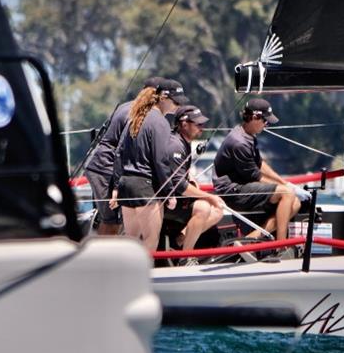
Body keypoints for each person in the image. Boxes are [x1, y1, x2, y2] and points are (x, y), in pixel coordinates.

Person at [212, 98, 309, 240]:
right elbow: (254, 175)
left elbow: (259, 163)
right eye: (265, 121)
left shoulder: (248, 135)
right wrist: (285, 188)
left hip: (242, 185)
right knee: (287, 193)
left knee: (294, 204)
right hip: (232, 192)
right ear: (254, 118)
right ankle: (280, 245)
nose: (266, 125)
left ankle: (250, 240)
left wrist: (284, 182)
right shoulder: (239, 142)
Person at [109, 79, 189, 251]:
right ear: (163, 98)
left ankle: (127, 276)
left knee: (131, 241)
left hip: (126, 184)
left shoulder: (135, 117)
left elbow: (118, 153)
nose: (177, 106)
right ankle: (145, 277)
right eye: (175, 102)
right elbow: (161, 160)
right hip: (145, 187)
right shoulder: (160, 122)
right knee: (150, 241)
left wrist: (116, 186)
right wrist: (170, 193)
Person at [84, 76, 163, 235]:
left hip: (101, 165)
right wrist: (116, 187)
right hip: (104, 167)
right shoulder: (137, 111)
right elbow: (121, 148)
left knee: (117, 220)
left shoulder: (128, 106)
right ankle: (102, 259)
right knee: (112, 221)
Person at [163, 105, 225, 265]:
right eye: (198, 124)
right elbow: (179, 186)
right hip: (166, 202)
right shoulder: (175, 145)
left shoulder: (182, 142)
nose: (202, 128)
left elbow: (178, 172)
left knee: (217, 210)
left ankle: (179, 242)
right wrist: (209, 196)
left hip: (176, 198)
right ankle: (185, 257)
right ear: (184, 124)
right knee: (205, 207)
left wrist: (190, 177)